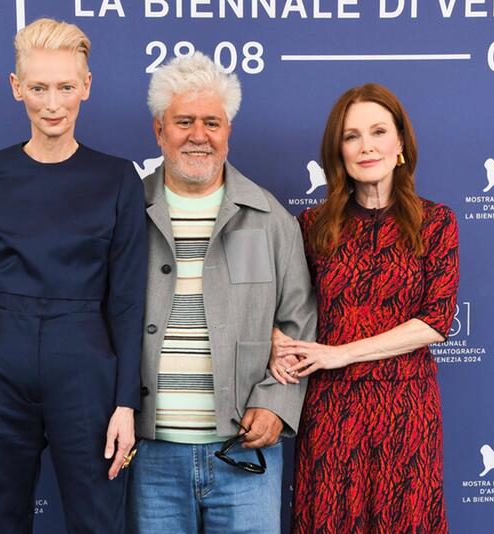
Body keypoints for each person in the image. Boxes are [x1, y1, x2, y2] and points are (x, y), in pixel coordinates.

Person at [0, 18, 147, 534]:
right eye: (39, 88)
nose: (53, 104)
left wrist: (125, 404)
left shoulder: (118, 179)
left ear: (86, 87)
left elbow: (129, 300)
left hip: (88, 371)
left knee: (98, 524)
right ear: (16, 87)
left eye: (66, 87)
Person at [128, 52, 317, 533]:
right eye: (183, 121)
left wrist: (276, 403)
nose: (198, 135)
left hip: (244, 454)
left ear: (228, 130)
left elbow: (298, 324)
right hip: (149, 455)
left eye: (212, 122)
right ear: (159, 130)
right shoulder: (124, 213)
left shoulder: (270, 217)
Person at [269, 83, 460, 533]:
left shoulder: (437, 222)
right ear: (339, 152)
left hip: (406, 409)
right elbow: (279, 305)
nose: (365, 146)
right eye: (351, 136)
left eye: (378, 131)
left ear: (400, 145)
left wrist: (341, 352)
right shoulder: (312, 226)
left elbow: (435, 321)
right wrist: (276, 341)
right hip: (331, 409)